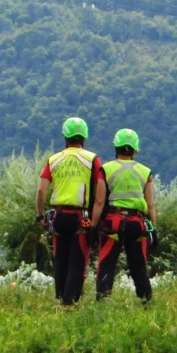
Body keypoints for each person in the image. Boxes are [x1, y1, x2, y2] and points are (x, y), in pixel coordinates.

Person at [35, 116, 106, 305]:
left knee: (61, 259)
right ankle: (70, 303)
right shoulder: (92, 160)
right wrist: (95, 223)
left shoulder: (53, 160)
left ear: (65, 137)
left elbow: (41, 191)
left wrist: (40, 216)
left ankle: (60, 298)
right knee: (78, 261)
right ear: (84, 137)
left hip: (58, 217)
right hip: (81, 218)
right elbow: (100, 196)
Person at [96, 129, 157, 302]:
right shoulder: (145, 172)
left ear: (116, 147)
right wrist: (153, 229)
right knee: (139, 266)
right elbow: (150, 205)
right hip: (137, 224)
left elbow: (99, 202)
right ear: (135, 149)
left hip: (113, 223)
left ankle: (102, 300)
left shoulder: (106, 169)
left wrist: (93, 225)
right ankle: (146, 301)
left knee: (106, 264)